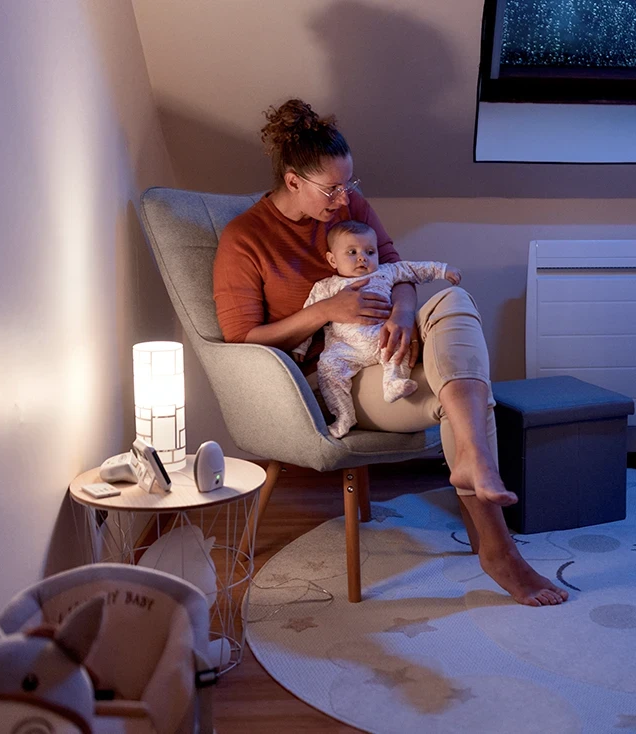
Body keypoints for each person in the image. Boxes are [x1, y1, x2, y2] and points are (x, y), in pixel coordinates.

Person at [212, 99, 568, 606]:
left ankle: (473, 464)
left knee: (453, 298)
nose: (345, 200)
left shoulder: (349, 209)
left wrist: (403, 313)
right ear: (292, 182)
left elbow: (398, 269)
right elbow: (241, 341)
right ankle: (498, 547)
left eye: (349, 185)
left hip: (394, 346)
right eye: (331, 189)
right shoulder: (245, 238)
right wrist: (325, 310)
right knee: (466, 399)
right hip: (341, 376)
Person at [293, 219, 461, 438]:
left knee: (401, 344)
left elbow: (413, 269)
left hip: (382, 337)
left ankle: (393, 381)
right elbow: (311, 312)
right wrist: (301, 347)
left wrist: (443, 269)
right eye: (352, 252)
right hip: (346, 348)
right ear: (332, 260)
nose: (362, 257)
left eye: (370, 252)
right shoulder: (327, 286)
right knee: (328, 367)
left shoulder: (385, 272)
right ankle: (344, 415)